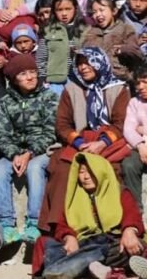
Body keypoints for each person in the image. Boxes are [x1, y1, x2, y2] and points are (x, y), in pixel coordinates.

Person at [38, 47, 131, 234]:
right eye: (79, 63)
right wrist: (80, 144)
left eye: (88, 62)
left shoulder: (118, 89)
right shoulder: (71, 89)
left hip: (107, 143)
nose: (83, 68)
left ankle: (113, 227)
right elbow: (62, 125)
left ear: (99, 62)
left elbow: (120, 123)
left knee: (111, 171)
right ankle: (59, 229)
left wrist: (101, 143)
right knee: (63, 169)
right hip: (79, 141)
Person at [38, 153, 144, 279]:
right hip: (82, 243)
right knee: (47, 244)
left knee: (134, 247)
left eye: (91, 171)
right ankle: (107, 271)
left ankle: (67, 270)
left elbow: (132, 215)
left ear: (101, 172)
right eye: (82, 172)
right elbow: (61, 223)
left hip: (111, 243)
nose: (86, 177)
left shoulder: (119, 192)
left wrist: (129, 231)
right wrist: (68, 237)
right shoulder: (71, 196)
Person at [0, 54, 56, 244]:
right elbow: (1, 135)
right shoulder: (6, 102)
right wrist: (15, 154)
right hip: (16, 152)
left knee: (35, 168)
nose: (30, 77)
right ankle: (6, 224)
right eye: (23, 74)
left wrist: (29, 153)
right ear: (13, 79)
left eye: (32, 72)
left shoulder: (49, 97)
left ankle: (34, 223)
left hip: (42, 151)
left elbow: (51, 132)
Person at [36, 0, 85, 95]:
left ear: (75, 8)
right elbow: (41, 58)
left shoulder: (84, 30)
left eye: (68, 9)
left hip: (78, 80)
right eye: (59, 10)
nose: (64, 14)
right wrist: (42, 79)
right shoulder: (48, 31)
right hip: (54, 82)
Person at [82, 0, 140, 81]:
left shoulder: (125, 29)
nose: (98, 15)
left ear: (114, 11)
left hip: (119, 79)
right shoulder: (89, 32)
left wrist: (123, 50)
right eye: (94, 12)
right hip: (96, 81)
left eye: (101, 10)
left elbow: (137, 53)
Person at [120, 64, 147, 211]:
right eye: (138, 83)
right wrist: (141, 145)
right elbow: (128, 129)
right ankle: (136, 210)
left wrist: (142, 129)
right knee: (129, 165)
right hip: (140, 147)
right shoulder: (134, 103)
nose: (140, 87)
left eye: (145, 82)